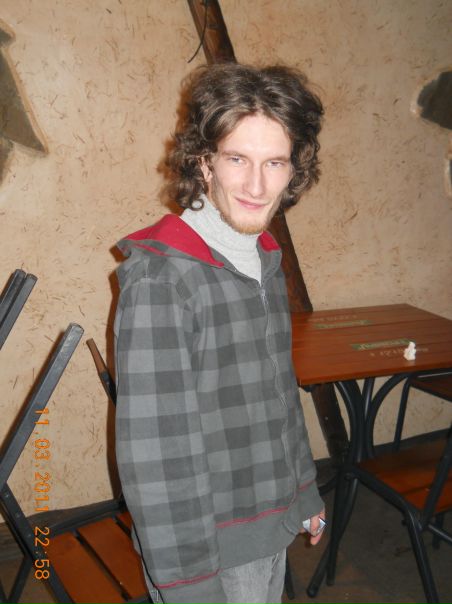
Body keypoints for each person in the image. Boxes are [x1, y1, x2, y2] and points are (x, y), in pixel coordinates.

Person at [114, 62, 325, 604]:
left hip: (270, 523)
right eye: (237, 159)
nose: (256, 185)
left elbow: (278, 394)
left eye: (274, 162)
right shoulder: (163, 279)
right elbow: (158, 457)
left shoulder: (263, 258)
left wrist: (303, 492)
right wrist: (190, 586)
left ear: (294, 168)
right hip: (210, 554)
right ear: (203, 162)